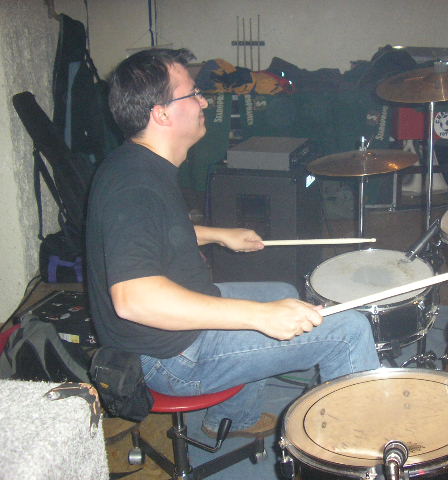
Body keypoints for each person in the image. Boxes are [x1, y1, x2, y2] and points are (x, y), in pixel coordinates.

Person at [85, 48, 380, 438]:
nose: (205, 102)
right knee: (349, 331)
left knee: (282, 292)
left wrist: (217, 234)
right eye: (194, 94)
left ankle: (231, 417)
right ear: (162, 114)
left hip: (169, 331)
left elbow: (153, 234)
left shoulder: (137, 162)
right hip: (171, 358)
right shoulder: (135, 187)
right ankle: (350, 452)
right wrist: (259, 317)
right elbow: (134, 299)